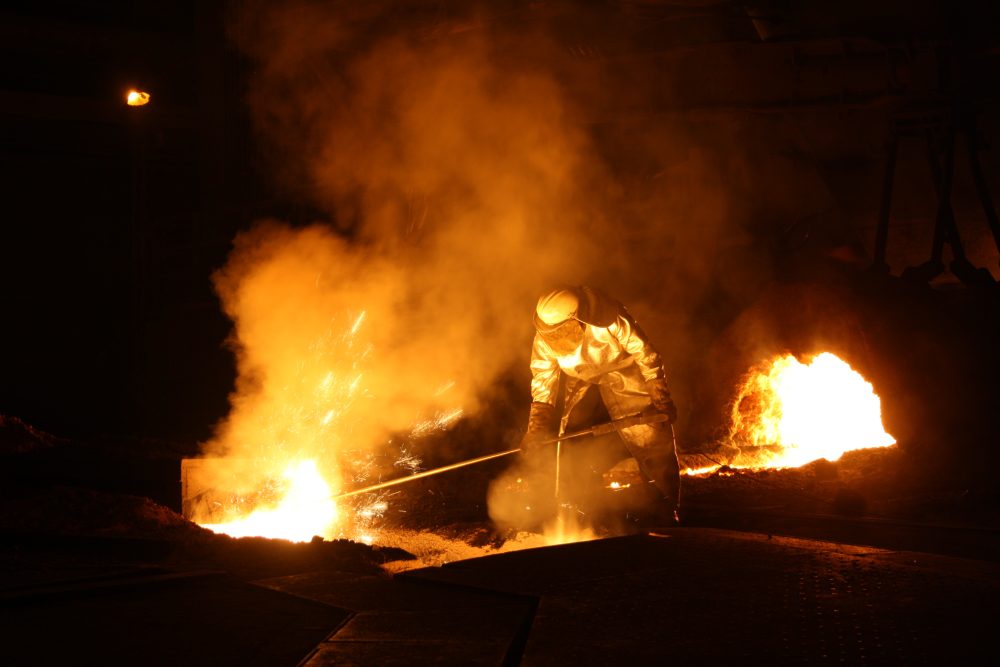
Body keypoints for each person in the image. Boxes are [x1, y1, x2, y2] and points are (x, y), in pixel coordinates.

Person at [520, 285, 681, 526]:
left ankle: (664, 506)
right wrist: (536, 426)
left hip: (624, 370)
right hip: (582, 376)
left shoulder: (609, 316)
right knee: (569, 438)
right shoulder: (544, 338)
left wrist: (657, 389)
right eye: (549, 331)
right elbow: (543, 377)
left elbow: (643, 349)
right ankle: (573, 506)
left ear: (577, 319)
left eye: (558, 330)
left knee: (649, 435)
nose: (552, 336)